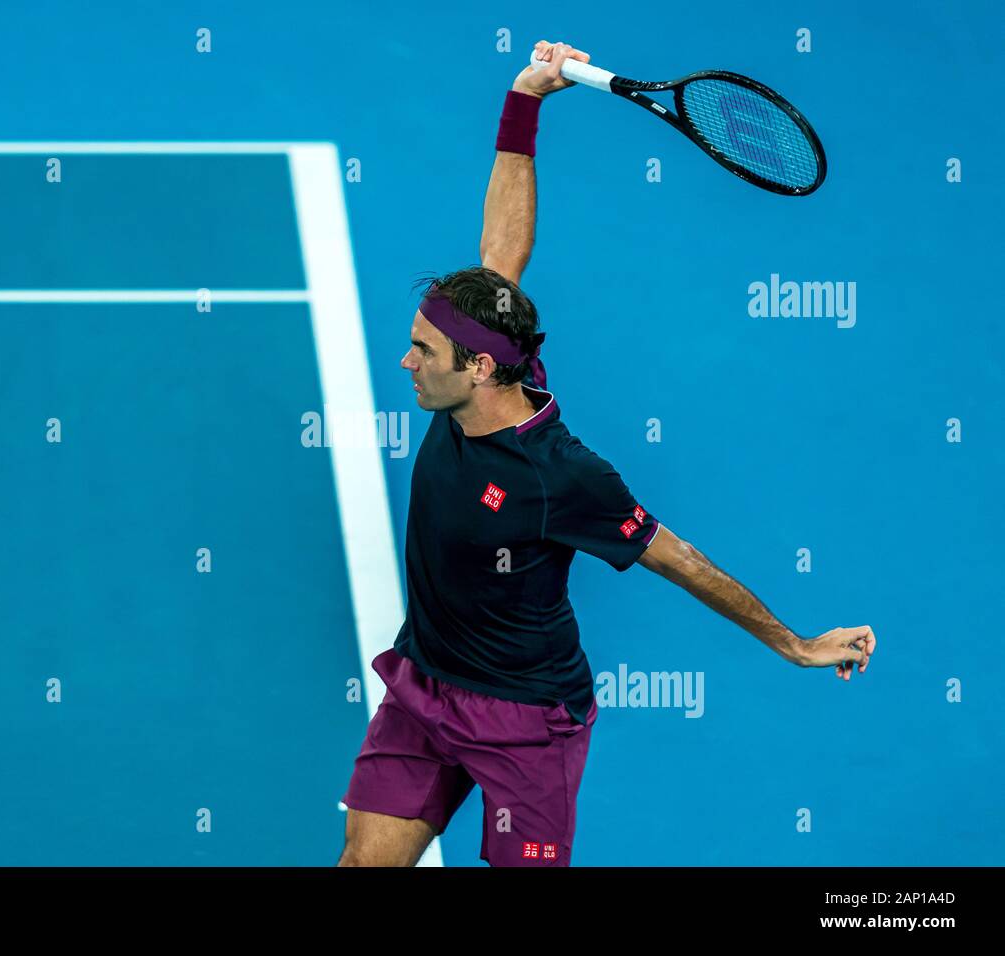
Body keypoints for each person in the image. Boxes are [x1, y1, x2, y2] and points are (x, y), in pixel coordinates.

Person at [337, 40, 877, 867]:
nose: (405, 363)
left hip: (525, 720)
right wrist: (527, 100)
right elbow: (500, 252)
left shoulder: (563, 477)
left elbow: (684, 561)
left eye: (420, 351)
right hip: (424, 687)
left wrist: (794, 643)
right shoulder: (492, 357)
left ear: (479, 368)